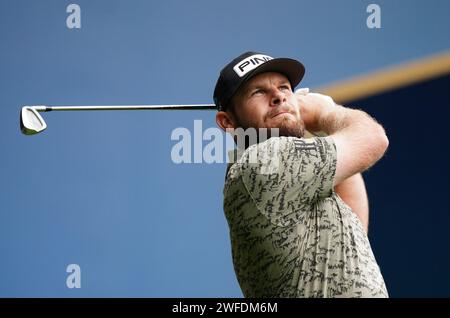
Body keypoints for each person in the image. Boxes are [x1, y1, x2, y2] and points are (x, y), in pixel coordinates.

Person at [213, 51, 389, 298]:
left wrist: (318, 127)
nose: (278, 97)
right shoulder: (262, 162)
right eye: (258, 92)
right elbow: (373, 139)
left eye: (284, 88)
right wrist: (327, 112)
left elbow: (354, 234)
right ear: (227, 122)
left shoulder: (298, 177)